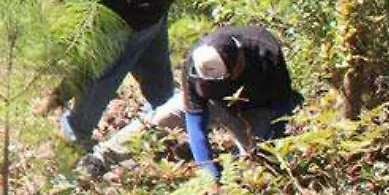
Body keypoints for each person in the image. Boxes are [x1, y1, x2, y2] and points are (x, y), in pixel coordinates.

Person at [81, 25, 303, 180]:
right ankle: (100, 159)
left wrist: (272, 144)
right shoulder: (195, 65)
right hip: (216, 105)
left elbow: (281, 106)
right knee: (160, 117)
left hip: (257, 107)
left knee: (258, 160)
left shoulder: (265, 52)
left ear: (237, 64)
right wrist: (208, 171)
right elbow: (195, 121)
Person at [29, 0, 176, 148]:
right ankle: (169, 117)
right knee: (154, 69)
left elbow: (87, 60)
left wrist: (58, 95)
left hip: (138, 1)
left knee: (103, 72)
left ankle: (74, 135)